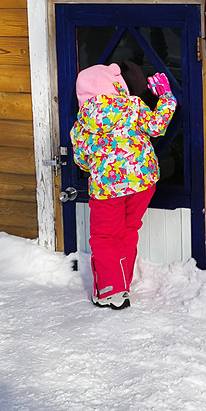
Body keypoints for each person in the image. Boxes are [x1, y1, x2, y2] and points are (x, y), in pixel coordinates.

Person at [71, 62, 176, 309]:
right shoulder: (132, 107)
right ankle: (122, 284)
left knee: (105, 237)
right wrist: (167, 97)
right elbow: (157, 126)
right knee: (129, 230)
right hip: (142, 182)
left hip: (108, 188)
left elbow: (82, 157)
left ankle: (110, 291)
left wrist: (99, 165)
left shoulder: (83, 122)